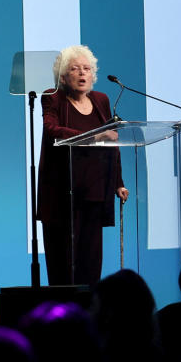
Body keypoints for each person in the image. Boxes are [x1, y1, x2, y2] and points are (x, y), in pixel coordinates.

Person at [38, 45, 129, 286]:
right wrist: (95, 136)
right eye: (75, 69)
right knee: (64, 262)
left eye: (86, 69)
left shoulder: (101, 100)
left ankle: (90, 311)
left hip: (94, 191)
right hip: (63, 194)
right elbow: (52, 131)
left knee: (91, 260)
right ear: (63, 75)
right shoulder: (53, 97)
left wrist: (118, 182)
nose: (82, 73)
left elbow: (113, 143)